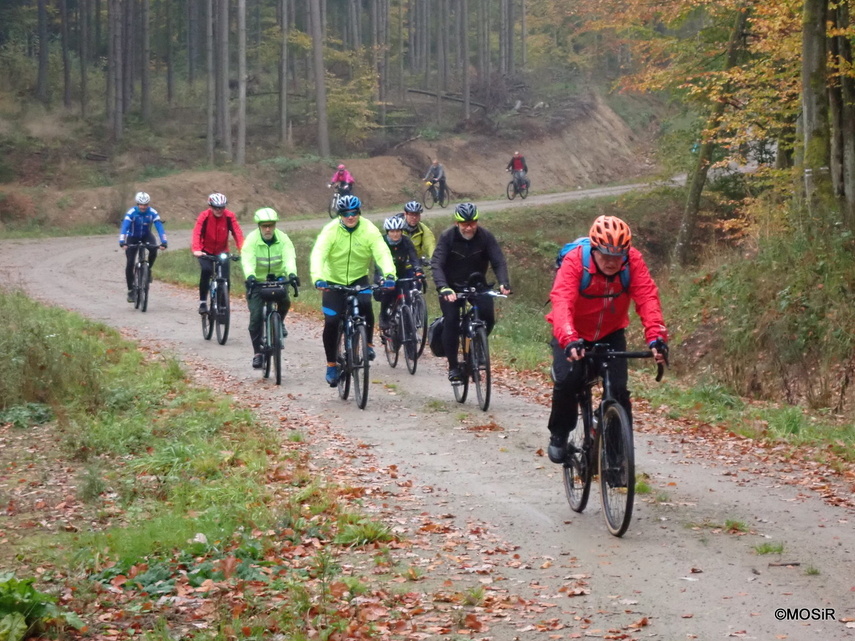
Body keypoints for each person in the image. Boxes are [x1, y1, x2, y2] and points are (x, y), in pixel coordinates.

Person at [545, 215, 668, 464]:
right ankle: (559, 433)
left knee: (619, 391)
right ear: (594, 249)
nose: (612, 262)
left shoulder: (632, 261)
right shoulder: (575, 261)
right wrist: (569, 338)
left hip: (611, 332)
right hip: (573, 332)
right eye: (606, 255)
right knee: (568, 380)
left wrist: (656, 337)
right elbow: (562, 302)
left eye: (618, 256)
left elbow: (647, 298)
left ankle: (617, 459)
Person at [310, 195, 397, 386]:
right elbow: (319, 254)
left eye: (354, 213)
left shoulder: (369, 229)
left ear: (359, 213)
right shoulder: (330, 231)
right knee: (332, 322)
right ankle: (331, 364)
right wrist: (318, 278)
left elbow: (382, 252)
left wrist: (390, 274)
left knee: (366, 305)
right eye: (345, 214)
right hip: (333, 281)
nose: (350, 217)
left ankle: (368, 344)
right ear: (340, 215)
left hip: (358, 278)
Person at [430, 203, 511, 382]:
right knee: (451, 321)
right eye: (464, 224)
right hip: (451, 287)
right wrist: (443, 287)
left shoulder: (485, 236)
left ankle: (477, 344)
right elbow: (437, 264)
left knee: (488, 317)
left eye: (472, 223)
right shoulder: (447, 237)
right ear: (456, 223)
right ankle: (453, 367)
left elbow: (498, 261)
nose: (469, 227)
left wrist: (504, 282)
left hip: (477, 285)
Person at [241, 207, 298, 369]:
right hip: (257, 282)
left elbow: (289, 257)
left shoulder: (283, 238)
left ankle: (278, 322)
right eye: (264, 225)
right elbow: (247, 259)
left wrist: (292, 274)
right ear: (259, 226)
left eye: (271, 225)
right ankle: (257, 353)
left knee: (285, 302)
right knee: (256, 318)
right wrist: (250, 276)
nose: (268, 229)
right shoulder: (252, 239)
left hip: (278, 279)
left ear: (274, 225)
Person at [191, 193, 245, 314]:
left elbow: (237, 233)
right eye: (216, 207)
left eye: (222, 207)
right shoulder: (204, 216)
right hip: (205, 251)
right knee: (206, 271)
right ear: (210, 206)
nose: (219, 210)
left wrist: (243, 249)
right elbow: (197, 233)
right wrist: (197, 249)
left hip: (222, 251)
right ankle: (203, 302)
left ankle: (223, 304)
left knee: (225, 279)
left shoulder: (229, 216)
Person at [375, 216, 423, 332]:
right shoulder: (382, 242)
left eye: (398, 231)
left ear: (401, 231)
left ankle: (407, 322)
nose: (395, 234)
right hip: (384, 273)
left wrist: (418, 270)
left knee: (407, 296)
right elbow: (378, 261)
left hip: (402, 273)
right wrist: (381, 278)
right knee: (388, 292)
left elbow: (413, 257)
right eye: (392, 231)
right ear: (387, 232)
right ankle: (384, 316)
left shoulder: (406, 241)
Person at [118, 191, 168, 303]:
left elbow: (159, 227)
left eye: (146, 205)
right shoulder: (131, 213)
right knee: (130, 262)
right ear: (137, 204)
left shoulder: (152, 212)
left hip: (146, 236)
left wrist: (164, 241)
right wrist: (122, 241)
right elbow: (124, 227)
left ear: (148, 204)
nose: (143, 207)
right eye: (141, 205)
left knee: (154, 250)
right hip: (132, 237)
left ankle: (148, 270)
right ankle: (131, 290)